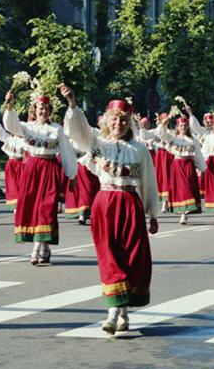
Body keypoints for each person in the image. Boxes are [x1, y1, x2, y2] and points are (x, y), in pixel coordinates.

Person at [63, 86, 158, 335]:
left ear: (130, 123)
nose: (119, 123)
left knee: (131, 258)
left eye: (124, 120)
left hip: (130, 204)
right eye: (115, 119)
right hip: (105, 203)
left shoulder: (139, 150)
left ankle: (124, 311)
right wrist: (73, 104)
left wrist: (152, 212)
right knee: (109, 256)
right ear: (108, 120)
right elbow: (79, 131)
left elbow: (148, 181)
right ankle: (113, 312)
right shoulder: (99, 144)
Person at [3, 91, 78, 265]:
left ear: (50, 110)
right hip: (31, 171)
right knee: (32, 207)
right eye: (39, 108)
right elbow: (10, 125)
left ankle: (36, 249)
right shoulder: (27, 127)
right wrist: (10, 105)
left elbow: (67, 152)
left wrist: (71, 175)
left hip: (49, 169)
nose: (42, 112)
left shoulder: (56, 130)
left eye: (45, 108)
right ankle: (44, 247)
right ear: (34, 110)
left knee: (47, 208)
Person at [157, 116, 206, 224]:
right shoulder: (174, 138)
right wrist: (163, 124)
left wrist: (202, 168)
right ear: (177, 127)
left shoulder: (192, 140)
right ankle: (183, 214)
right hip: (178, 165)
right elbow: (161, 134)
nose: (183, 127)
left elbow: (198, 154)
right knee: (182, 189)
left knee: (188, 188)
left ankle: (185, 211)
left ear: (188, 126)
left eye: (185, 125)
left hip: (189, 165)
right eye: (181, 126)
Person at [0, 102, 24, 211]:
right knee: (12, 187)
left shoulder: (25, 140)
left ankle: (24, 206)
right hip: (11, 165)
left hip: (23, 165)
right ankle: (15, 208)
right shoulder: (9, 139)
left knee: (23, 186)